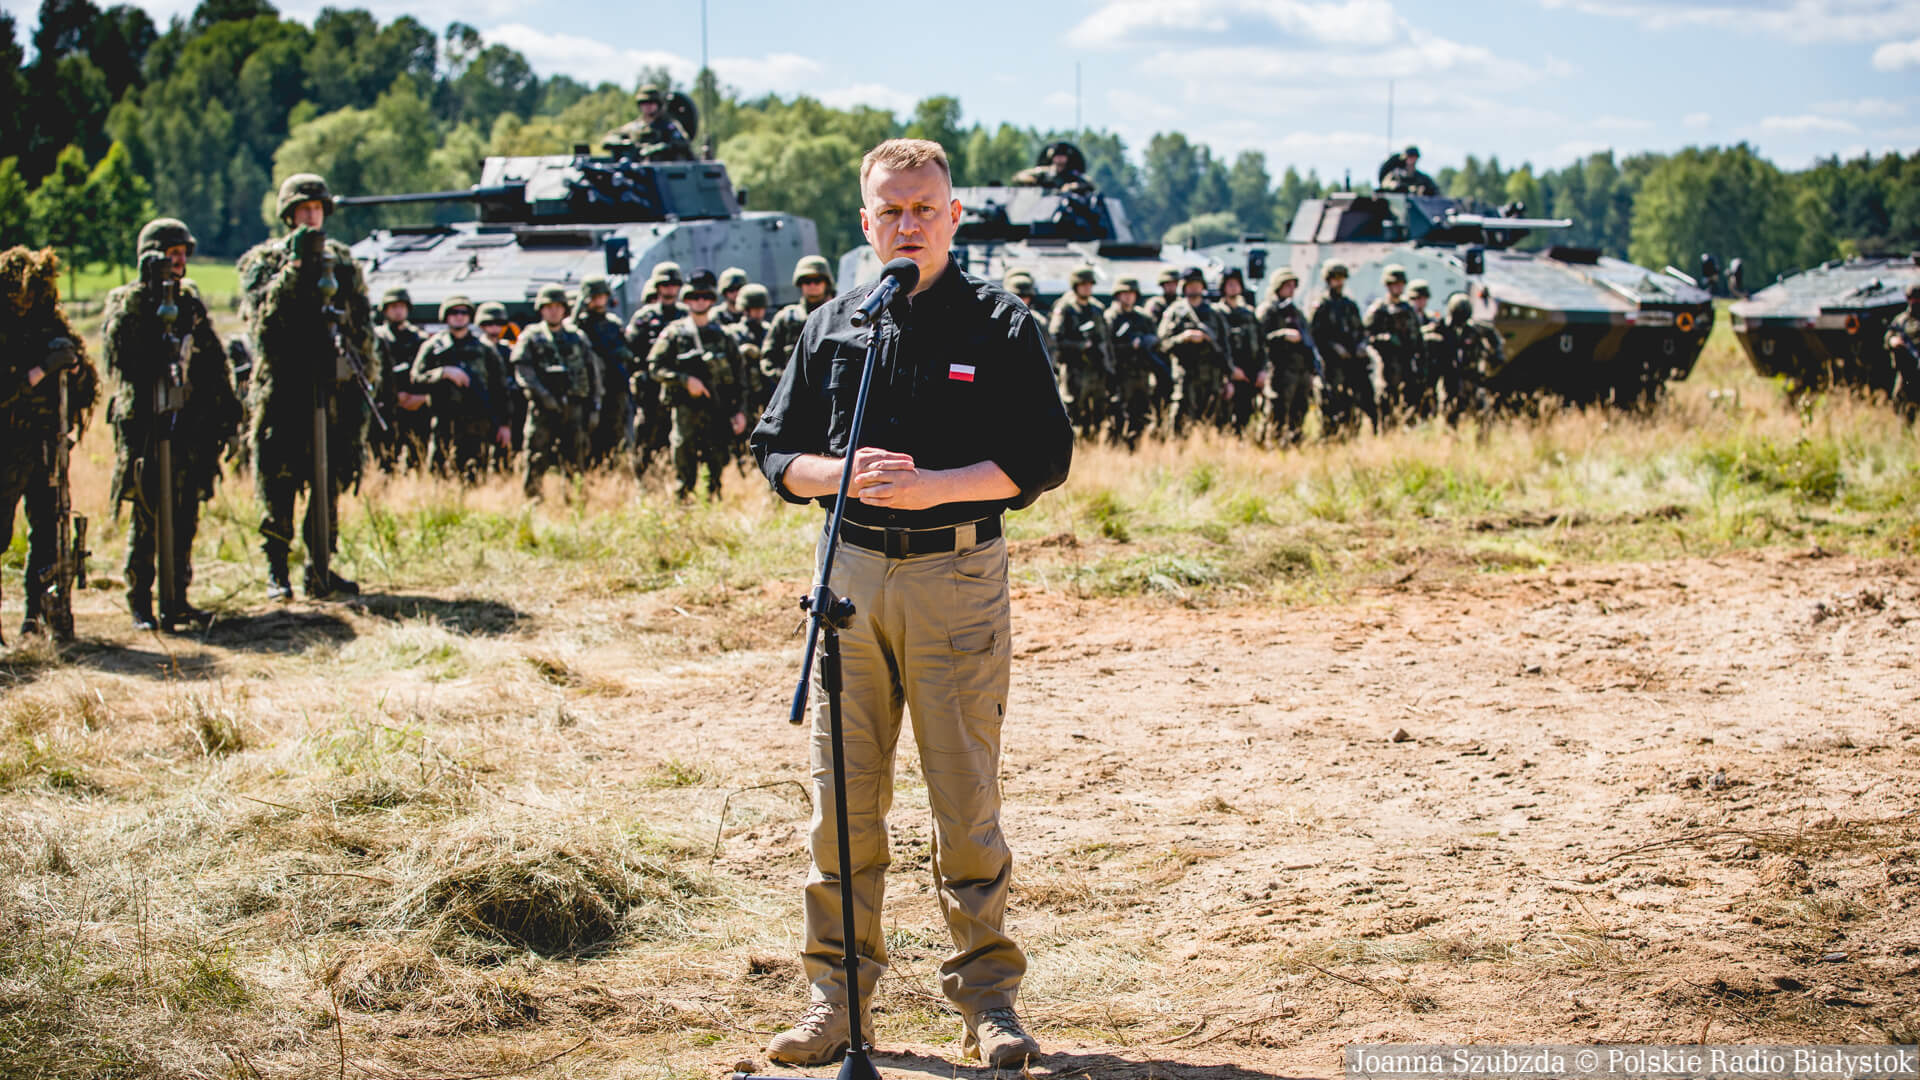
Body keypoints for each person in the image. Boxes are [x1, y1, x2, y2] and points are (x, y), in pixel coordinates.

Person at [751, 137, 1071, 1070]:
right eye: (890, 210)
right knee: (842, 805)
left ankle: (989, 1004)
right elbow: (776, 452)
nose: (907, 224)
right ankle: (835, 1000)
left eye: (924, 208)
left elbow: (1041, 459)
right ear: (865, 221)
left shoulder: (1000, 325)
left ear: (954, 216)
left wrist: (939, 488)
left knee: (963, 796)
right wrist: (835, 473)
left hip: (954, 580)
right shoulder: (834, 323)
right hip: (848, 577)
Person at [237, 173, 379, 600]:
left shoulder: (343, 260)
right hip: (284, 390)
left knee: (329, 478)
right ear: (288, 215)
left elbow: (361, 325)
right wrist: (295, 268)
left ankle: (320, 567)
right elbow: (263, 324)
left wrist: (363, 377)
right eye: (303, 210)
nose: (311, 217)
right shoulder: (264, 261)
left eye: (317, 209)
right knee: (279, 481)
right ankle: (276, 570)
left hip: (334, 388)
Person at [102, 218, 244, 631]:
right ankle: (140, 601)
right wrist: (147, 296)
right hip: (147, 428)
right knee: (148, 516)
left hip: (190, 429)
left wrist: (229, 415)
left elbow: (214, 362)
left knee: (184, 518)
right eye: (170, 253)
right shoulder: (127, 300)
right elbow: (119, 354)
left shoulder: (190, 303)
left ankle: (177, 598)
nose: (178, 261)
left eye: (183, 254)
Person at [0, 246, 98, 641]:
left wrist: (73, 369)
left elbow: (87, 386)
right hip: (5, 448)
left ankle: (38, 617)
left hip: (46, 450)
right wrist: (38, 372)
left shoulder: (51, 326)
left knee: (48, 534)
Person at [647, 269, 746, 500]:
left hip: (717, 409)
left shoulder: (724, 335)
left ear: (712, 301)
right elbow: (655, 367)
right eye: (694, 297)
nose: (700, 302)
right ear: (687, 300)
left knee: (717, 460)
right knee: (684, 458)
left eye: (704, 297)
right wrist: (685, 381)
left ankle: (714, 502)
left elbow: (739, 378)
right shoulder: (674, 333)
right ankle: (683, 505)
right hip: (686, 410)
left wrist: (739, 410)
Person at [513, 284, 601, 499]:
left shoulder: (577, 337)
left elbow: (593, 374)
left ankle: (575, 501)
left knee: (575, 457)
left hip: (574, 407)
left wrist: (595, 406)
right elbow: (522, 370)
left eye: (557, 306)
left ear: (564, 309)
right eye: (548, 307)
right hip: (542, 409)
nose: (553, 311)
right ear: (541, 310)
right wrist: (544, 396)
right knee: (536, 456)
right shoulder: (531, 337)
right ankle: (533, 501)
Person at [412, 296, 512, 482]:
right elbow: (416, 378)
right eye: (454, 313)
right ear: (446, 317)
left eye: (463, 313)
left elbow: (500, 389)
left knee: (475, 477)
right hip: (444, 420)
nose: (459, 317)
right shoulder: (433, 347)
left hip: (476, 423)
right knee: (439, 476)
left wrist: (504, 424)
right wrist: (442, 372)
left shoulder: (485, 349)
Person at [625, 263, 685, 481]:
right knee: (645, 435)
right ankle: (643, 480)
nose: (669, 289)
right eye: (665, 285)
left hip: (679, 389)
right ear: (658, 287)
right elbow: (629, 352)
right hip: (650, 390)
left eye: (673, 285)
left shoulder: (686, 315)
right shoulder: (643, 318)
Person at [1157, 267, 1234, 435]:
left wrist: (1228, 377)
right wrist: (1184, 337)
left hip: (1212, 376)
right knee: (1181, 419)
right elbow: (1162, 344)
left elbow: (1225, 347)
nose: (1194, 289)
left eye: (1197, 285)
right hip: (1186, 375)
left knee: (1211, 420)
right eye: (1190, 285)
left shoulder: (1215, 314)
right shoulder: (1174, 313)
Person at [573, 277, 637, 466]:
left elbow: (626, 350)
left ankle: (610, 469)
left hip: (614, 385)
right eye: (594, 297)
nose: (599, 302)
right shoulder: (580, 326)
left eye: (602, 297)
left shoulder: (612, 324)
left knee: (615, 432)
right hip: (590, 388)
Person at [1048, 266, 1115, 441]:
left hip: (1096, 368)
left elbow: (1106, 340)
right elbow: (1055, 339)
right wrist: (1080, 345)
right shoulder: (1065, 308)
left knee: (1098, 410)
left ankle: (1092, 442)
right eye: (1083, 284)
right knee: (1072, 409)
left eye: (1089, 284)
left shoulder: (1097, 309)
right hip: (1073, 368)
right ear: (1075, 286)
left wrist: (1108, 364)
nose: (1087, 288)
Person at [1257, 268, 1320, 447]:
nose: (1291, 290)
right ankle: (1272, 443)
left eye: (1293, 286)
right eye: (1287, 286)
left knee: (1299, 410)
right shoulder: (1269, 310)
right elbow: (1260, 339)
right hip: (1279, 369)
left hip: (1300, 370)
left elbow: (1308, 341)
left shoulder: (1296, 312)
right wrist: (1282, 335)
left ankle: (1294, 443)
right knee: (1276, 410)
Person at [1309, 261, 1371, 437]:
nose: (1339, 283)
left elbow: (1360, 330)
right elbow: (1316, 335)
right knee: (1331, 399)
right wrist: (1333, 348)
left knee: (1353, 399)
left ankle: (1351, 432)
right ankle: (1330, 434)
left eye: (1341, 279)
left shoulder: (1349, 305)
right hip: (1332, 364)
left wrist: (1361, 345)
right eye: (1335, 279)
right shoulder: (1322, 306)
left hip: (1352, 362)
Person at [372, 287, 430, 471]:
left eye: (402, 306)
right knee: (385, 459)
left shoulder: (419, 339)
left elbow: (428, 371)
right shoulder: (377, 338)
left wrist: (421, 397)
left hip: (415, 406)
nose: (398, 311)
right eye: (393, 307)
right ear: (385, 310)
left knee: (417, 458)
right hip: (385, 406)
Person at [764, 256, 837, 390]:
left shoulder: (839, 316)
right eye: (807, 281)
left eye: (817, 280)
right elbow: (768, 358)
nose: (812, 286)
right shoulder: (785, 318)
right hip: (796, 393)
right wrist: (786, 380)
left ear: (826, 282)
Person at [1103, 275, 1159, 449]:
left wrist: (1146, 343)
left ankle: (1135, 447)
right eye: (1124, 293)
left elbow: (1156, 341)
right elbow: (1107, 346)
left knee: (1140, 412)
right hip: (1120, 373)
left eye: (1131, 293)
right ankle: (1116, 448)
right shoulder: (1110, 317)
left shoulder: (1143, 318)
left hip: (1140, 373)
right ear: (1118, 295)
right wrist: (1129, 346)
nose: (1128, 297)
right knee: (1118, 413)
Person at [1364, 264, 1421, 427]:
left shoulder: (1408, 310)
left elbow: (1417, 339)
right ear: (1387, 285)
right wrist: (1385, 340)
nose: (1398, 287)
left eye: (1400, 284)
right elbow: (1367, 336)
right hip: (1386, 364)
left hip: (1407, 364)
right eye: (1394, 284)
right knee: (1385, 399)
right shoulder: (1379, 309)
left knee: (1408, 400)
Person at [1217, 267, 1264, 434]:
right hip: (1228, 374)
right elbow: (1218, 348)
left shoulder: (1249, 314)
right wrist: (1229, 372)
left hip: (1249, 373)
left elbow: (1260, 344)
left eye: (1236, 284)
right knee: (1225, 417)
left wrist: (1261, 371)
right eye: (1229, 284)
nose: (1233, 287)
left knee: (1246, 414)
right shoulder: (1217, 313)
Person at [476, 301, 521, 465]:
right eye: (489, 324)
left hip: (505, 407)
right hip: (480, 408)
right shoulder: (475, 349)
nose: (494, 328)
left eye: (499, 324)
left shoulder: (509, 351)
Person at [603, 84, 694, 162]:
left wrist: (661, 148)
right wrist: (622, 143)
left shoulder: (669, 126)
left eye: (651, 102)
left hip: (662, 172)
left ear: (658, 104)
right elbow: (610, 137)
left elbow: (683, 143)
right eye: (644, 103)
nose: (648, 106)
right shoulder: (634, 127)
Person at [1884, 282, 1920, 422]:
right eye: (1913, 298)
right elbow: (1888, 336)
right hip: (1907, 372)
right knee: (1902, 405)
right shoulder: (1901, 321)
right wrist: (1893, 340)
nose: (1915, 301)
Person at [1011, 141, 1094, 193]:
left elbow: (1089, 184)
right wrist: (1033, 181)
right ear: (1052, 157)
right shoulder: (1044, 172)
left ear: (1067, 158)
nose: (1059, 158)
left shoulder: (1072, 174)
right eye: (1057, 155)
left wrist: (1071, 186)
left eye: (1062, 155)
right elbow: (1018, 176)